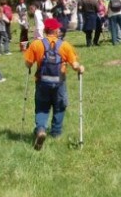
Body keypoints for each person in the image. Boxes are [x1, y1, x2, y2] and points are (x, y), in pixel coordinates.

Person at [23, 18, 85, 150]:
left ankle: (40, 129)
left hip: (42, 82)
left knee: (42, 107)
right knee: (60, 106)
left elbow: (28, 63)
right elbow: (74, 65)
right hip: (59, 82)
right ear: (56, 30)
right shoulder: (65, 45)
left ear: (45, 30)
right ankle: (56, 132)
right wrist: (80, 68)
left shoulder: (36, 44)